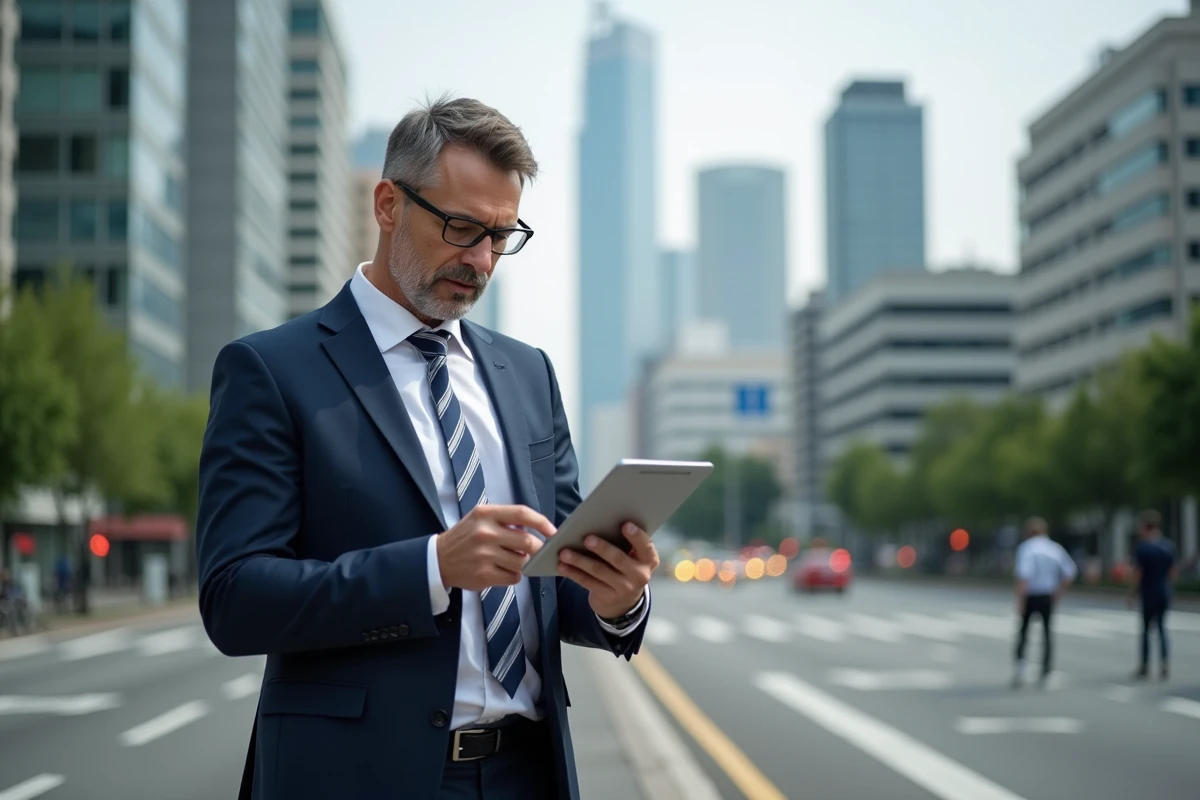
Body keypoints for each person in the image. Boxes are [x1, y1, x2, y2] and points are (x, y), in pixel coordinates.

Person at [196, 96, 657, 800]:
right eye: (461, 226)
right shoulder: (272, 370)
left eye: (501, 237)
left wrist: (615, 600)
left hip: (526, 774)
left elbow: (555, 585)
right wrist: (432, 568)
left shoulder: (528, 373)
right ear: (387, 204)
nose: (479, 259)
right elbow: (234, 600)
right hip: (355, 779)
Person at [1011, 517, 1077, 688]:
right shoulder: (1054, 548)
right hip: (1048, 595)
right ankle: (1046, 670)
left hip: (1031, 594)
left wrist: (1020, 600)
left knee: (1024, 632)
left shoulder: (1027, 548)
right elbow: (1070, 571)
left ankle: (1021, 668)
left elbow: (1024, 575)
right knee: (1047, 634)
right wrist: (1058, 593)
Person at [1127, 509, 1176, 680]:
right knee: (1162, 629)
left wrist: (1132, 594)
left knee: (1146, 630)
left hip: (1148, 593)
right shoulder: (1167, 546)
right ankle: (1164, 663)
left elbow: (1138, 574)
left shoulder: (1143, 548)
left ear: (1146, 527)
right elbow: (1172, 572)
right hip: (1163, 591)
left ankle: (1145, 666)